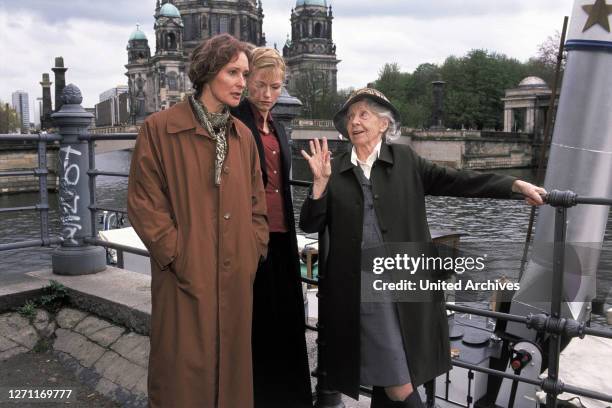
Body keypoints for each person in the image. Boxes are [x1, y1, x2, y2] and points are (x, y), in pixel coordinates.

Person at [299, 88, 546, 408]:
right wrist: (318, 187)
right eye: (350, 116)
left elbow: (459, 181)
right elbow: (309, 224)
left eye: (364, 114)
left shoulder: (405, 161)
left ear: (384, 124)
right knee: (398, 380)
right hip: (360, 290)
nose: (355, 122)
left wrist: (513, 185)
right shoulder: (335, 169)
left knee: (392, 374)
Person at [127, 33, 268, 408]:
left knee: (233, 376)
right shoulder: (160, 129)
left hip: (236, 275)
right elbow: (144, 203)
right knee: (181, 374)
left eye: (245, 73)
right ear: (208, 73)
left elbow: (257, 206)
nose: (243, 82)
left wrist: (252, 251)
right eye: (233, 72)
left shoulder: (243, 137)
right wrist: (177, 256)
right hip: (183, 276)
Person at [231, 47, 313, 408]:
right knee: (258, 320)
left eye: (275, 87)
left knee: (289, 316)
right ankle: (258, 395)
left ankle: (291, 396)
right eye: (261, 85)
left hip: (282, 234)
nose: (267, 94)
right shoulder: (234, 122)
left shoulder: (278, 126)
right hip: (251, 235)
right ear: (247, 81)